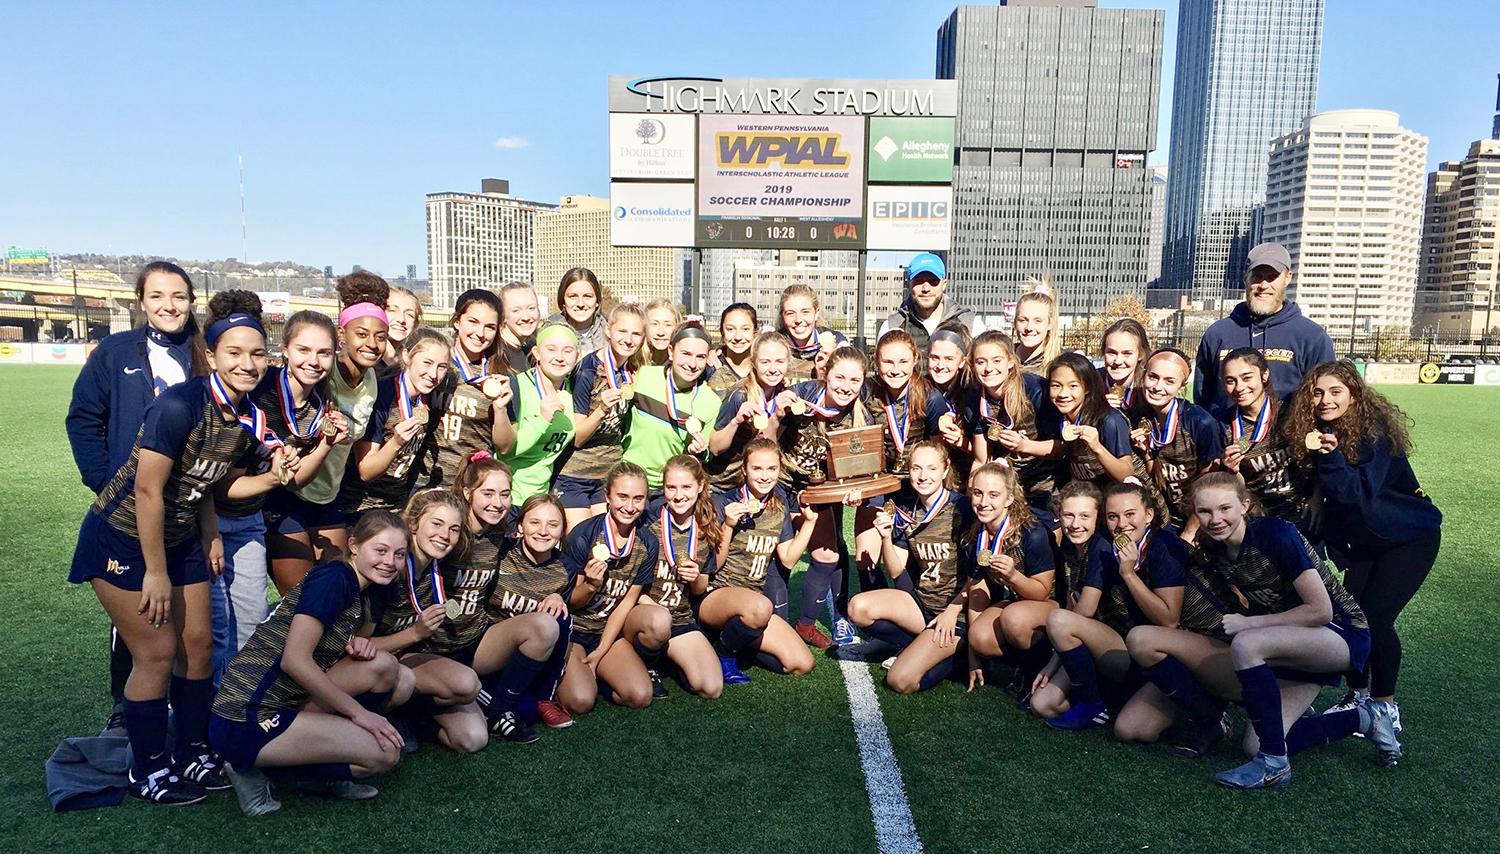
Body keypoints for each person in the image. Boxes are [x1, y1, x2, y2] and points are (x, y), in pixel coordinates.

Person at [70, 293, 290, 805]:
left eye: (257, 353)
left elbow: (208, 483)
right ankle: (146, 769)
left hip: (185, 536)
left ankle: (193, 750)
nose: (247, 363)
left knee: (197, 649)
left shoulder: (245, 414)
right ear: (211, 356)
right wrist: (154, 571)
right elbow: (148, 492)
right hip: (124, 539)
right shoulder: (178, 405)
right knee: (156, 652)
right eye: (233, 352)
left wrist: (220, 524)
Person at [1143, 473, 1398, 789]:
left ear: (1245, 506)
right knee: (1257, 742)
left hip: (1341, 632)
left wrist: (1249, 624)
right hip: (1288, 645)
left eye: (1225, 508)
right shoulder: (1214, 549)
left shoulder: (1275, 534)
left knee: (1248, 643)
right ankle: (1365, 718)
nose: (1215, 519)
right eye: (1205, 511)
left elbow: (1321, 610)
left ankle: (1274, 767)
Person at [67, 260, 205, 734]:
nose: (169, 306)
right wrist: (104, 480)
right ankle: (125, 709)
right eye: (158, 297)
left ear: (191, 302)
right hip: (131, 509)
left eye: (179, 297)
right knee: (138, 617)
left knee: (188, 624)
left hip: (186, 509)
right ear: (141, 302)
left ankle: (188, 718)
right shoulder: (115, 350)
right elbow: (84, 419)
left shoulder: (202, 352)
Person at [210, 511, 417, 816]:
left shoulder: (359, 588)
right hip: (245, 716)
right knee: (384, 754)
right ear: (354, 546)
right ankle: (247, 767)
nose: (390, 561)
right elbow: (295, 660)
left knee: (386, 668)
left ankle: (318, 770)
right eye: (381, 550)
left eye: (399, 555)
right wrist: (361, 715)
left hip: (283, 702)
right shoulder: (334, 578)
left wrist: (350, 645)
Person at [1286, 362, 1442, 734]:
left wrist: (1330, 457)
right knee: (1351, 619)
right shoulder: (1322, 430)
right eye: (1318, 393)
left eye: (1336, 392)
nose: (1325, 400)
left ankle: (1385, 705)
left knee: (1376, 619)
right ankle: (1356, 696)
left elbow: (1355, 495)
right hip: (1368, 543)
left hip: (1408, 538)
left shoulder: (1374, 433)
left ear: (1354, 394)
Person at [1031, 483, 1220, 733]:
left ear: (1149, 515)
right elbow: (1075, 608)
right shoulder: (1094, 546)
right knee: (1043, 704)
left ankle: (1208, 710)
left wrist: (1129, 574)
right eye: (1113, 516)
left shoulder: (1163, 546)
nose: (1121, 524)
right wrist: (1053, 663)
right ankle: (1098, 699)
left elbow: (1168, 621)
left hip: (1169, 653)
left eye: (1130, 514)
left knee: (1130, 730)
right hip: (1120, 647)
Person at [229, 310, 349, 667]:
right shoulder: (261, 389)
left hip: (302, 497)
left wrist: (327, 441)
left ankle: (321, 673)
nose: (313, 361)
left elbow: (299, 475)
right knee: (299, 602)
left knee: (334, 586)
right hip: (255, 502)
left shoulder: (321, 401)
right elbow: (286, 475)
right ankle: (287, 673)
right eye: (304, 350)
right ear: (285, 350)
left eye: (324, 353)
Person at [266, 272, 387, 593]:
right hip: (288, 492)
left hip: (327, 496)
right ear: (341, 336)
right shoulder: (321, 369)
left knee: (333, 592)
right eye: (361, 334)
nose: (371, 344)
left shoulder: (372, 381)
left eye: (380, 336)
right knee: (296, 600)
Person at [835, 442, 974, 694]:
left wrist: (954, 611)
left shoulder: (962, 508)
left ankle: (958, 657)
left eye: (932, 468)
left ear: (945, 471)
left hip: (956, 613)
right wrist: (886, 537)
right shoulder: (908, 508)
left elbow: (979, 574)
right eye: (916, 468)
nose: (923, 476)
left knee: (900, 681)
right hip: (923, 605)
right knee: (858, 607)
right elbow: (898, 571)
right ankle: (915, 643)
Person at [367, 490, 486, 753]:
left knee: (472, 738)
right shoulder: (390, 568)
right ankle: (379, 718)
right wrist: (415, 633)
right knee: (461, 683)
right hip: (368, 664)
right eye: (437, 524)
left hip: (409, 658)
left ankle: (414, 716)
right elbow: (355, 645)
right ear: (413, 524)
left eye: (454, 529)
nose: (445, 535)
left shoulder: (439, 564)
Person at [777, 346, 873, 648]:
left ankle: (805, 625)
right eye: (839, 377)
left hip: (819, 492)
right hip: (781, 485)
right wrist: (777, 408)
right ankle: (772, 624)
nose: (846, 386)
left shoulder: (861, 415)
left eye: (854, 381)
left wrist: (855, 491)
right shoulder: (801, 394)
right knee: (779, 556)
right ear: (825, 375)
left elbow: (863, 468)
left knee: (827, 555)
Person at [701, 438, 818, 680]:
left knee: (801, 663)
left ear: (779, 470)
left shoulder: (779, 504)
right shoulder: (724, 501)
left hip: (753, 602)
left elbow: (787, 559)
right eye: (757, 469)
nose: (765, 476)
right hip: (716, 595)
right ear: (744, 470)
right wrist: (729, 525)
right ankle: (723, 650)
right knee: (761, 606)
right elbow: (713, 565)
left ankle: (736, 639)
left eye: (771, 469)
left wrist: (809, 523)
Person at [560, 463, 665, 709]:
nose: (630, 507)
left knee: (639, 696)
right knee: (580, 702)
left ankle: (604, 677)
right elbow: (569, 601)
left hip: (607, 631)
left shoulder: (647, 542)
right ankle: (572, 676)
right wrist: (590, 586)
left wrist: (602, 650)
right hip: (574, 630)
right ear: (607, 496)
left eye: (638, 499)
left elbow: (627, 602)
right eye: (622, 497)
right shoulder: (583, 535)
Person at [1193, 242, 1335, 412]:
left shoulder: (1312, 336)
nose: (1263, 285)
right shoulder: (1217, 333)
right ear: (1245, 277)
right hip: (1227, 435)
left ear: (1287, 277)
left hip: (1286, 436)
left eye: (1272, 277)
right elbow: (1203, 398)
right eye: (1257, 276)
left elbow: (1325, 396)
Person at [484, 494, 584, 732]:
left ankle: (543, 697)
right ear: (520, 526)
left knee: (560, 619)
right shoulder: (502, 552)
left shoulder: (565, 568)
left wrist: (559, 597)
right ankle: (493, 705)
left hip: (527, 657)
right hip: (489, 645)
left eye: (552, 524)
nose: (543, 531)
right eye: (534, 522)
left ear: (563, 531)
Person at [960, 462, 1057, 689]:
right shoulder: (975, 535)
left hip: (1051, 606)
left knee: (1014, 619)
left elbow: (1043, 591)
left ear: (1009, 498)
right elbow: (977, 589)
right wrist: (973, 656)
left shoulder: (1032, 532)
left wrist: (1013, 576)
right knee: (979, 637)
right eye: (978, 493)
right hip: (1015, 604)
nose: (983, 503)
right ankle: (1021, 664)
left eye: (994, 495)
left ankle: (1039, 665)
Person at [339, 328, 449, 515]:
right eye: (427, 363)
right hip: (362, 509)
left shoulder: (425, 397)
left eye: (442, 366)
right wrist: (396, 443)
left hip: (398, 507)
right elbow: (366, 471)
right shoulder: (380, 397)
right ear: (406, 356)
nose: (434, 374)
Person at [557, 303, 646, 529]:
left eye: (636, 333)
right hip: (576, 474)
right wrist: (601, 410)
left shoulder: (633, 370)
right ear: (608, 331)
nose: (629, 339)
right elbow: (577, 437)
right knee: (579, 542)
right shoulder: (588, 369)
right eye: (622, 331)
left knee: (601, 543)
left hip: (609, 474)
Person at [643, 455, 726, 699]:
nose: (678, 495)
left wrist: (696, 575)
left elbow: (700, 590)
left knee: (711, 688)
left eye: (686, 487)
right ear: (663, 487)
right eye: (671, 487)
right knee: (658, 620)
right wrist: (653, 609)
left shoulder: (707, 524)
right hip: (643, 614)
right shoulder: (647, 520)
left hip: (680, 616)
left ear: (700, 486)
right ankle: (648, 663)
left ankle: (671, 660)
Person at [965, 331, 1058, 525]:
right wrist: (972, 490)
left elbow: (1063, 446)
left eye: (996, 360)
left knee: (1043, 536)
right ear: (972, 366)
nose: (989, 368)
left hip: (1044, 481)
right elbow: (981, 458)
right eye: (981, 362)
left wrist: (1025, 445)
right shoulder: (974, 399)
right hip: (1005, 483)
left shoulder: (1034, 388)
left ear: (1010, 361)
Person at [1127, 348, 1222, 536]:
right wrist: (1146, 454)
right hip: (1165, 516)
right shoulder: (1138, 416)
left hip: (1200, 520)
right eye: (1153, 377)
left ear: (1181, 387)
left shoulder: (1200, 422)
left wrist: (1190, 532)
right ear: (1143, 375)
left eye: (1169, 381)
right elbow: (1156, 479)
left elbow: (1211, 486)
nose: (1157, 386)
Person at [1216, 347, 1312, 530]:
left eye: (1247, 378)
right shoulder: (1222, 425)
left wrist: (1317, 499)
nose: (1239, 387)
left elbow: (1316, 461)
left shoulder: (1290, 413)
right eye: (1230, 381)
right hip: (1259, 521)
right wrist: (1232, 471)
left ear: (1264, 375)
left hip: (1303, 515)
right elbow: (1238, 489)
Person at [620, 325, 721, 491]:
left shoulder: (711, 402)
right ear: (671, 352)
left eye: (700, 357)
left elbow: (706, 456)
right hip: (628, 480)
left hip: (668, 490)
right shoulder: (643, 376)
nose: (692, 364)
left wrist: (697, 451)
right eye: (686, 354)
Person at [429, 289, 514, 487]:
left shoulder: (500, 375)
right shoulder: (436, 364)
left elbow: (505, 447)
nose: (480, 333)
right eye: (473, 322)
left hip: (471, 484)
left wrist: (500, 408)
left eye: (490, 327)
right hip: (426, 481)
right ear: (457, 321)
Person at [498, 323, 579, 505]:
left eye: (567, 351)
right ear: (536, 353)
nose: (559, 357)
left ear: (577, 355)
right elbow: (505, 452)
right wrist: (542, 420)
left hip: (541, 499)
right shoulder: (516, 387)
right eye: (551, 349)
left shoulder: (573, 391)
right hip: (508, 497)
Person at [707, 331, 795, 492]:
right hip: (723, 484)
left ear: (788, 363)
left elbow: (768, 448)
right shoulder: (740, 396)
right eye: (765, 362)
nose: (773, 369)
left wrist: (776, 418)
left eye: (780, 361)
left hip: (756, 484)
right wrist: (736, 422)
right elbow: (714, 447)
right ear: (753, 362)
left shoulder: (784, 396)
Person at [1048, 353, 1140, 488]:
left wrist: (1097, 447)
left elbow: (1127, 475)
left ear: (1087, 388)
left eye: (1073, 386)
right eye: (1056, 385)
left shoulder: (1109, 420)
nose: (1063, 394)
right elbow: (1059, 448)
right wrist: (1022, 445)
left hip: (1132, 502)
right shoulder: (1060, 415)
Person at [878, 252, 981, 348]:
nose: (926, 289)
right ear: (907, 285)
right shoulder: (891, 326)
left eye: (933, 281)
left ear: (944, 284)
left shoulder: (970, 325)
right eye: (918, 281)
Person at [776, 284, 846, 381]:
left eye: (805, 312)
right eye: (790, 313)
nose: (798, 320)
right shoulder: (773, 343)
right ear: (782, 316)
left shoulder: (836, 344)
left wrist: (826, 370)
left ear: (816, 314)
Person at [545, 267, 606, 354]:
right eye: (573, 296)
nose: (580, 304)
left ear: (597, 300)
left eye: (587, 296)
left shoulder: (611, 334)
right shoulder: (548, 333)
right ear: (563, 300)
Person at [1099, 318, 1150, 412]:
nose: (1118, 361)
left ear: (1141, 354)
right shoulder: (1090, 383)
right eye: (1111, 353)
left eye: (1127, 353)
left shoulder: (1148, 388)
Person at [707, 303, 758, 393]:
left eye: (745, 329)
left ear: (755, 331)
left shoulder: (764, 365)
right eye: (730, 329)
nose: (738, 337)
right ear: (722, 332)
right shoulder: (712, 365)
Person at [1012, 286, 1060, 375]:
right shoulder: (1003, 357)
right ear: (1015, 322)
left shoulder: (1060, 363)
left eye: (1038, 321)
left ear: (1050, 324)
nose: (1029, 328)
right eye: (1022, 320)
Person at [379, 285, 422, 379]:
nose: (401, 319)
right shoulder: (366, 360)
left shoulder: (413, 364)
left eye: (410, 315)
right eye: (392, 310)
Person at [497, 282, 541, 372]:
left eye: (531, 308)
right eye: (516, 311)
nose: (526, 317)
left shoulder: (534, 352)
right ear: (503, 315)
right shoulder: (495, 354)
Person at [642, 298, 681, 366]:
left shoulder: (685, 365)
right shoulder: (632, 363)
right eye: (654, 324)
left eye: (668, 325)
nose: (661, 333)